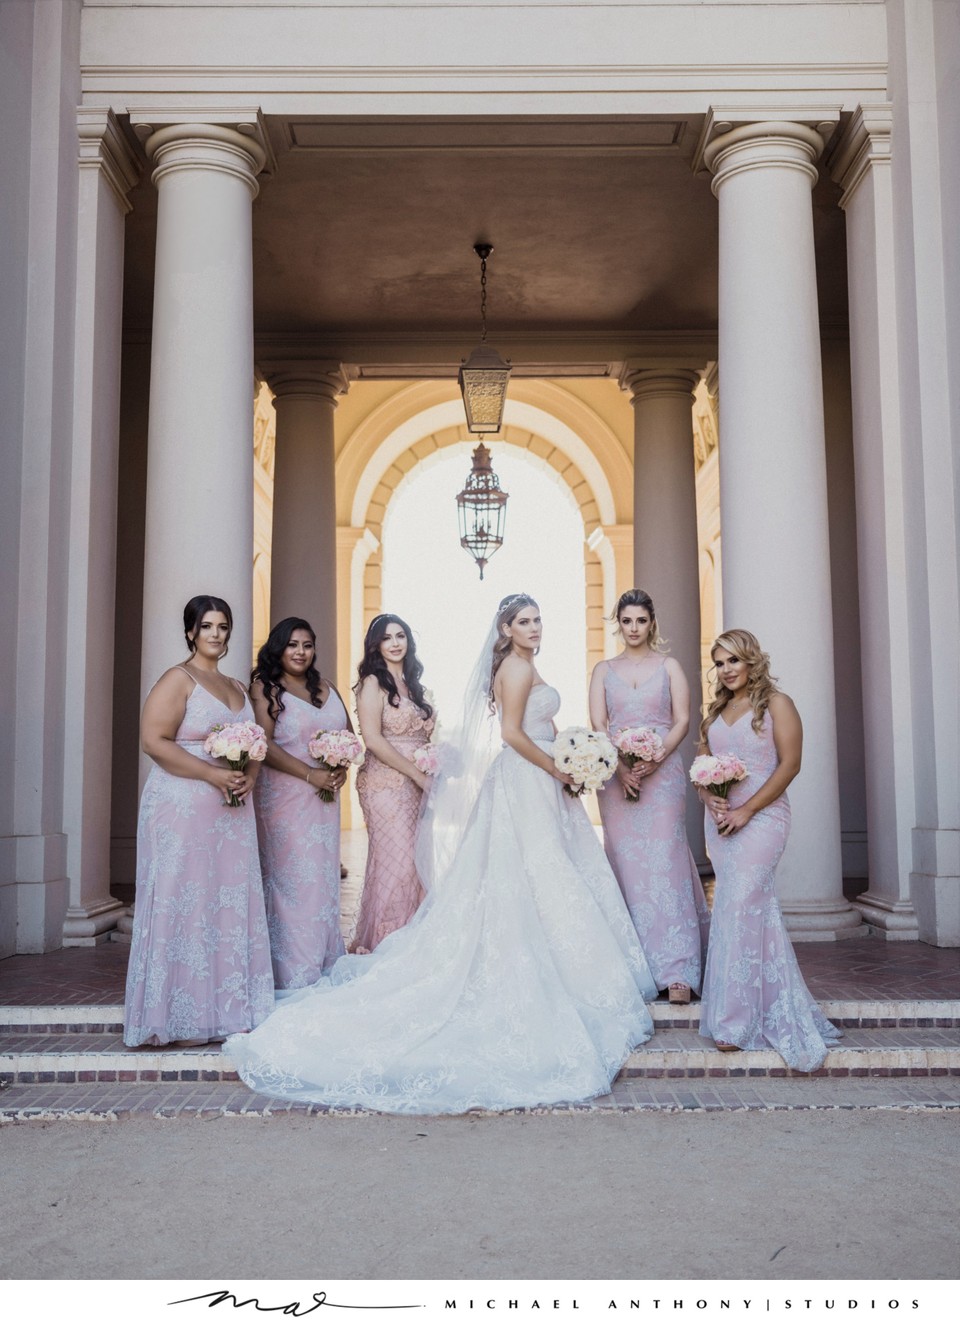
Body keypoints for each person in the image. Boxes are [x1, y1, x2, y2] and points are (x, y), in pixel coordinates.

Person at [225, 594, 657, 1113]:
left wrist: (573, 751)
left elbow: (526, 730)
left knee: (536, 870)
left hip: (535, 780)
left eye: (539, 619)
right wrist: (560, 766)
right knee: (518, 869)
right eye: (525, 621)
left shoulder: (518, 665)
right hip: (520, 776)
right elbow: (513, 734)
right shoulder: (513, 670)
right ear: (506, 626)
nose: (535, 628)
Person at [124, 596, 274, 1047]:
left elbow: (253, 746)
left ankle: (226, 1010)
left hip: (230, 812)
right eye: (206, 626)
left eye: (223, 626)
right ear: (191, 631)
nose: (215, 634)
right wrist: (212, 774)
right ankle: (177, 1016)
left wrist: (247, 776)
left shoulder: (236, 686)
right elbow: (153, 740)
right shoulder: (179, 678)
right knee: (182, 898)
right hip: (183, 803)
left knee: (225, 902)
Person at [696, 628, 840, 1070]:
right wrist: (709, 799)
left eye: (734, 660)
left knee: (741, 903)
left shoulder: (777, 703)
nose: (727, 669)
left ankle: (737, 1022)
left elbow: (790, 765)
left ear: (751, 660)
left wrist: (747, 811)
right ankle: (746, 1010)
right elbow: (701, 766)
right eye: (720, 663)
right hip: (721, 819)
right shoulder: (715, 711)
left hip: (764, 816)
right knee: (739, 910)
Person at [589, 588, 709, 1004]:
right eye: (627, 621)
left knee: (667, 862)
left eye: (641, 621)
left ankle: (678, 970)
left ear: (651, 623)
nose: (634, 628)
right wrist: (621, 768)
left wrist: (657, 758)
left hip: (663, 776)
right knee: (627, 867)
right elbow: (600, 724)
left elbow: (682, 720)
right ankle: (635, 968)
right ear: (617, 623)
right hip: (617, 781)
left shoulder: (669, 666)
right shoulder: (603, 670)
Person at [250, 617, 352, 988]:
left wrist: (340, 766)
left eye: (307, 645)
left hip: (324, 801)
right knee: (293, 881)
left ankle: (323, 960)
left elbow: (348, 737)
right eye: (293, 644)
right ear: (278, 646)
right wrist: (311, 775)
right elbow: (264, 745)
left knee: (322, 880)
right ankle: (293, 972)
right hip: (286, 798)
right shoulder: (265, 688)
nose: (300, 652)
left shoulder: (326, 687)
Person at [350, 613, 434, 952]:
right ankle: (388, 947)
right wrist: (417, 774)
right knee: (395, 865)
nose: (395, 643)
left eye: (401, 636)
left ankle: (415, 943)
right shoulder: (373, 683)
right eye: (387, 638)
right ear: (376, 645)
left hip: (417, 786)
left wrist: (434, 765)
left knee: (416, 865)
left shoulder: (414, 686)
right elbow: (373, 739)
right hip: (385, 786)